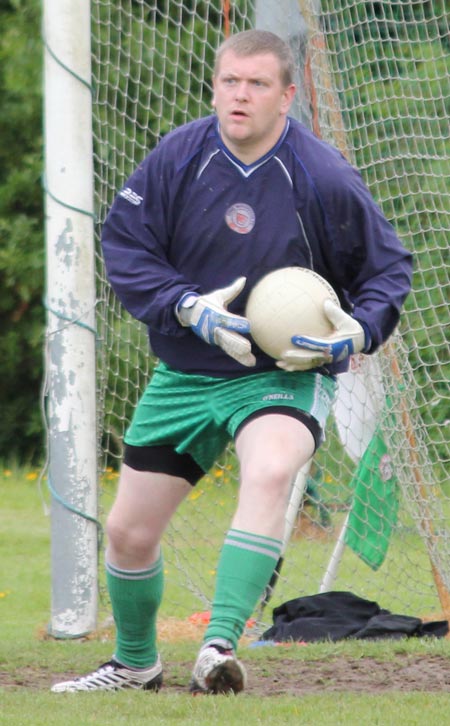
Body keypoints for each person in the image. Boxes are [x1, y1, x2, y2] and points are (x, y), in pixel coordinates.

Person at [51, 29, 412, 695]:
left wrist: (355, 334)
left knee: (272, 470)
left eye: (258, 84)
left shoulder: (323, 176)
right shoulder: (179, 158)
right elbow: (127, 243)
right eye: (230, 82)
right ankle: (135, 665)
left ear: (286, 95)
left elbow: (388, 271)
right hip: (187, 374)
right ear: (215, 86)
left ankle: (217, 648)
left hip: (279, 378)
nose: (240, 95)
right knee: (129, 534)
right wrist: (188, 307)